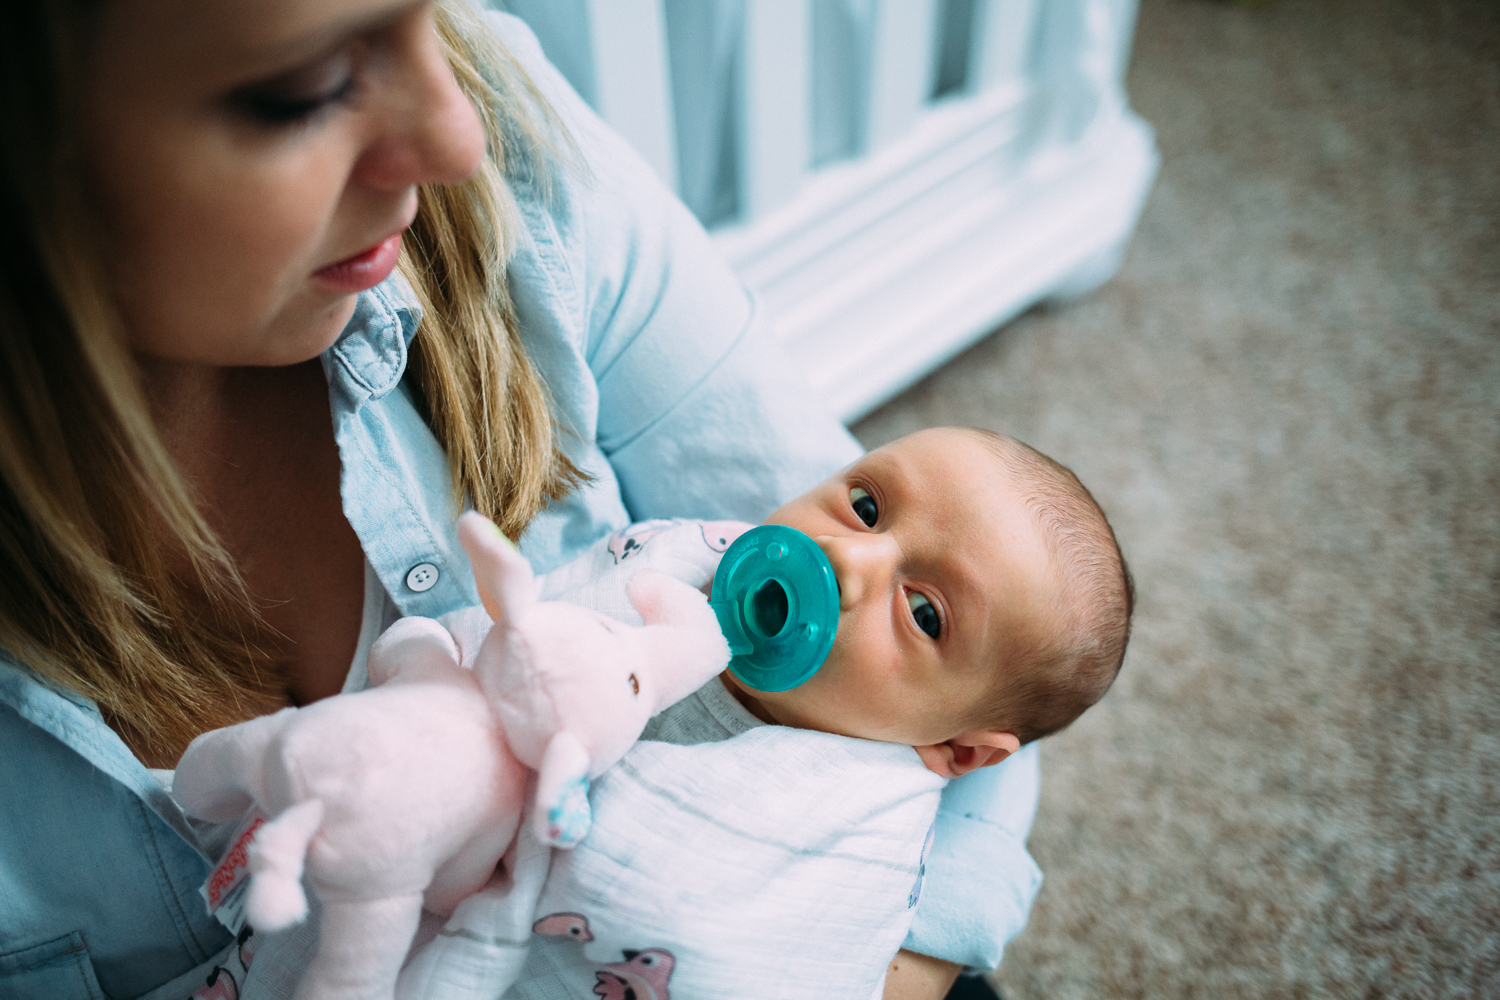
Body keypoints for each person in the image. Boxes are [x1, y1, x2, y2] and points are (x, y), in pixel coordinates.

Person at [0, 2, 1040, 998]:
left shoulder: (507, 128)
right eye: (307, 87)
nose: (457, 135)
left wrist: (893, 972)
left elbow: (1001, 667)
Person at [407, 425, 1131, 1000]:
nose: (847, 559)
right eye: (867, 507)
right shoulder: (674, 567)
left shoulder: (867, 822)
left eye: (922, 612)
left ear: (960, 752)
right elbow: (521, 645)